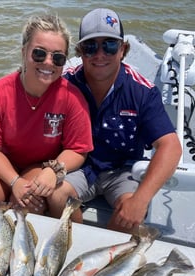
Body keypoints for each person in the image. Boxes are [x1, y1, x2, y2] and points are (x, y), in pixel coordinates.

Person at [48, 8, 182, 233]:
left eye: (109, 45)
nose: (100, 55)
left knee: (132, 214)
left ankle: (107, 258)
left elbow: (170, 146)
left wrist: (140, 200)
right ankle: (75, 248)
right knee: (56, 195)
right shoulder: (65, 86)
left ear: (123, 49)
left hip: (123, 171)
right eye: (91, 47)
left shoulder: (142, 91)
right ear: (80, 52)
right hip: (81, 167)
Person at [0, 13, 93, 215]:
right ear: (24, 51)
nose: (48, 63)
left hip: (40, 166)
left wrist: (53, 170)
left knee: (28, 204)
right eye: (39, 53)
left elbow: (78, 149)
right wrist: (14, 181)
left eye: (58, 57)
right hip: (3, 162)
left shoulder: (72, 98)